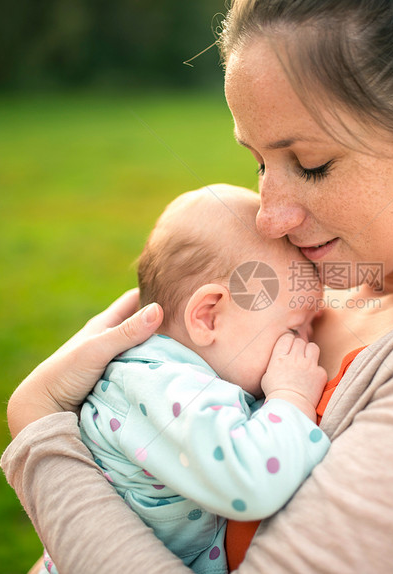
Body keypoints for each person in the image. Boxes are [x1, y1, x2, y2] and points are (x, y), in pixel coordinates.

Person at [2, 0, 393, 572]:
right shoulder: (327, 274)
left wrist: (39, 433)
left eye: (311, 164)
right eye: (260, 162)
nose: (270, 216)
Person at [40, 185, 330, 574]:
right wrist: (291, 395)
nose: (307, 345)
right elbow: (252, 483)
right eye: (294, 329)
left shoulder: (179, 375)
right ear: (208, 316)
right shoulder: (164, 386)